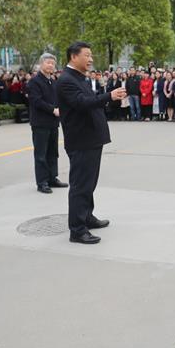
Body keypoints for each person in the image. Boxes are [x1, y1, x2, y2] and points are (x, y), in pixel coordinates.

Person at [56, 41, 127, 245]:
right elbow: (82, 103)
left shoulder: (79, 78)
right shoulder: (66, 80)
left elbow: (91, 100)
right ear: (73, 57)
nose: (91, 59)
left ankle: (87, 217)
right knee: (80, 185)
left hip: (91, 139)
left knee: (89, 183)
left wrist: (107, 98)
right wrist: (108, 96)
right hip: (81, 140)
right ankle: (77, 230)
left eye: (91, 55)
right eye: (87, 55)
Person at [27, 54, 69, 194]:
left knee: (53, 152)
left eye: (53, 63)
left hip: (53, 122)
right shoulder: (34, 82)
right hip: (40, 123)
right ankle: (42, 182)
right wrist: (53, 110)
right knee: (41, 154)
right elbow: (36, 101)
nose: (51, 65)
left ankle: (52, 177)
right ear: (41, 64)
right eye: (48, 63)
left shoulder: (53, 81)